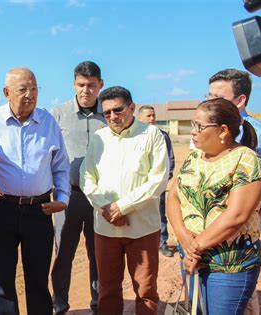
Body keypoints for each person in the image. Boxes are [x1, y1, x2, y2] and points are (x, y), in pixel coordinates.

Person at [0, 68, 70, 315]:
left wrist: (63, 199)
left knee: (37, 278)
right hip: (2, 209)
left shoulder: (48, 122)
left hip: (40, 210)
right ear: (6, 93)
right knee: (2, 280)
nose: (30, 95)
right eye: (22, 89)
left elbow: (61, 165)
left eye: (34, 89)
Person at [167, 98, 261, 314]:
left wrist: (196, 247)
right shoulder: (194, 158)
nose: (193, 132)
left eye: (199, 126)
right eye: (193, 125)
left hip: (229, 263)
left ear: (223, 131)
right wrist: (184, 238)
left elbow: (237, 215)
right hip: (193, 257)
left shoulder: (246, 160)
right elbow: (173, 197)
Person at [80, 86, 169, 314]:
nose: (112, 117)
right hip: (105, 229)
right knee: (107, 289)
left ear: (132, 107)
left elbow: (158, 180)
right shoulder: (99, 139)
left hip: (142, 229)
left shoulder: (151, 135)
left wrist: (122, 207)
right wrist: (107, 209)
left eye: (117, 110)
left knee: (146, 290)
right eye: (107, 112)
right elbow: (86, 177)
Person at [50, 61, 105, 315]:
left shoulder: (110, 114)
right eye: (81, 85)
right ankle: (59, 305)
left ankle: (98, 304)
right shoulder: (57, 115)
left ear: (100, 85)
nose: (86, 90)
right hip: (67, 197)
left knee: (99, 255)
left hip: (100, 200)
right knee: (63, 256)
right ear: (74, 84)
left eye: (91, 85)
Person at [192, 69, 261, 156]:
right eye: (209, 96)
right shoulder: (201, 128)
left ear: (240, 100)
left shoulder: (260, 134)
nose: (210, 102)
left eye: (218, 98)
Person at [138, 105, 175, 257]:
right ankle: (140, 243)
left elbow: (170, 159)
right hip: (138, 186)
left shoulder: (163, 135)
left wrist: (163, 178)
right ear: (140, 118)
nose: (152, 118)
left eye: (153, 115)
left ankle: (162, 243)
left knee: (159, 213)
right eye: (148, 116)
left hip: (157, 185)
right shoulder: (133, 136)